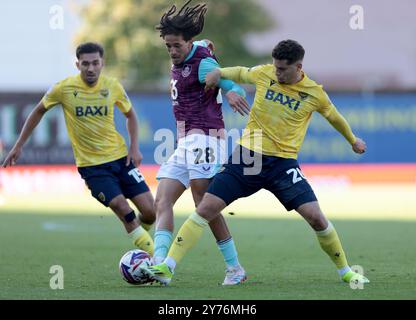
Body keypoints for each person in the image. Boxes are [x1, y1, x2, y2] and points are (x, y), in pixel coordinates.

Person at [143, 39, 370, 286]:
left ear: (298, 67)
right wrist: (219, 73)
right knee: (206, 207)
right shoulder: (265, 73)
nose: (277, 72)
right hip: (246, 157)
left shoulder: (315, 93)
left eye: (283, 69)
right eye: (275, 67)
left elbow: (333, 117)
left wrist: (352, 139)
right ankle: (168, 266)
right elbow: (240, 72)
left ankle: (346, 271)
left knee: (316, 217)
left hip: (283, 165)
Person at [2, 42, 155, 255]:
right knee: (122, 207)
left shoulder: (113, 86)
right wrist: (19, 145)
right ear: (77, 64)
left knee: (150, 212)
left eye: (95, 63)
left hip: (121, 159)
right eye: (85, 64)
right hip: (93, 167)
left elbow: (130, 115)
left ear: (102, 63)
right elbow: (38, 111)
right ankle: (153, 257)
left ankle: (139, 236)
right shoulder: (63, 88)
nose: (90, 68)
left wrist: (135, 148)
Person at [150, 0, 250, 285]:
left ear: (188, 41)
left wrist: (231, 91)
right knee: (162, 199)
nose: (171, 51)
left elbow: (225, 80)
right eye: (167, 46)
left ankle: (234, 268)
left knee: (204, 203)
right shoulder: (196, 49)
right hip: (185, 140)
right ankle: (159, 264)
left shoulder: (203, 63)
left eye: (176, 46)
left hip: (207, 136)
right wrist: (207, 42)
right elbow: (206, 43)